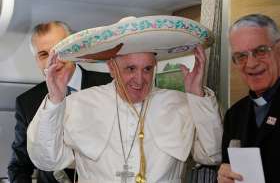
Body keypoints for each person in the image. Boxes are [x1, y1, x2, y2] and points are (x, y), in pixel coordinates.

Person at [27, 16, 222, 183]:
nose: (139, 79)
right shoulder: (78, 104)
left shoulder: (180, 103)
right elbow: (46, 160)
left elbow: (211, 155)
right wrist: (55, 99)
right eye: (130, 69)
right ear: (112, 68)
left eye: (147, 69)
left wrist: (197, 94)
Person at [8, 21, 112, 183]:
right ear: (36, 60)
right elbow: (19, 165)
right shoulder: (27, 102)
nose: (53, 61)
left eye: (60, 50)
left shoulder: (109, 85)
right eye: (43, 54)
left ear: (74, 50)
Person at [218, 14, 280, 183]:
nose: (251, 64)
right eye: (241, 56)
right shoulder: (234, 115)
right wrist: (224, 176)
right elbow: (229, 166)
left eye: (260, 51)